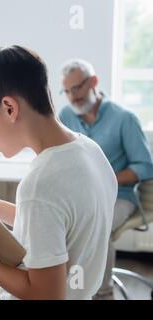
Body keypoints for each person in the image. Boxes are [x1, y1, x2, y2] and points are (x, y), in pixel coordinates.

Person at [0, 46, 117, 299]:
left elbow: (45, 294)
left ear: (9, 107)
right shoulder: (90, 151)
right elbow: (59, 223)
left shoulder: (41, 184)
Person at [59, 59, 153, 299]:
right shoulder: (65, 116)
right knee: (57, 224)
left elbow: (145, 166)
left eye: (77, 88)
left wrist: (105, 179)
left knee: (97, 227)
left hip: (119, 196)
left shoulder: (124, 119)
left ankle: (103, 294)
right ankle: (72, 291)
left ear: (93, 82)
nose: (72, 96)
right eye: (67, 91)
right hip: (79, 196)